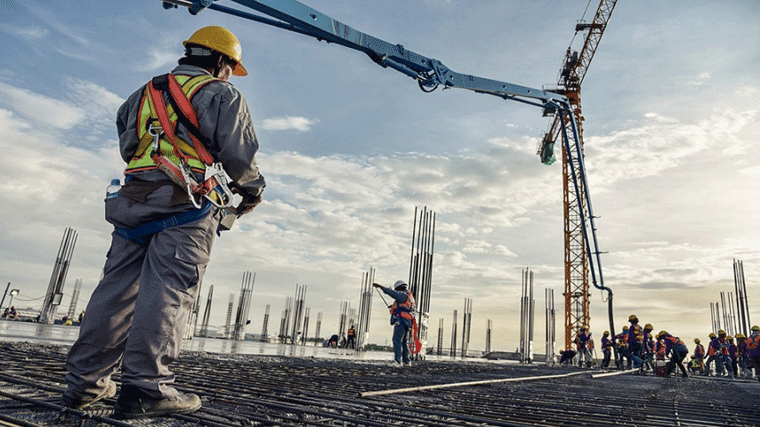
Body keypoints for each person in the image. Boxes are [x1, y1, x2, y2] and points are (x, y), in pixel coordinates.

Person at [62, 26, 265, 419]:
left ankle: (84, 384)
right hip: (186, 205)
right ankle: (146, 387)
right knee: (169, 291)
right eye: (229, 67)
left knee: (115, 293)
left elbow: (127, 145)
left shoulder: (142, 94)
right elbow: (239, 156)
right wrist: (253, 191)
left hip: (133, 201)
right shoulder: (223, 94)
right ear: (221, 62)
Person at [373, 281, 415, 366]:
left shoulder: (402, 295)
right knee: (404, 341)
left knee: (397, 340)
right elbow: (405, 307)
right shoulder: (410, 296)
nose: (397, 291)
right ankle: (406, 361)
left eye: (397, 289)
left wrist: (380, 286)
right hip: (408, 322)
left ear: (400, 288)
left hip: (401, 321)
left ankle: (397, 361)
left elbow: (391, 293)